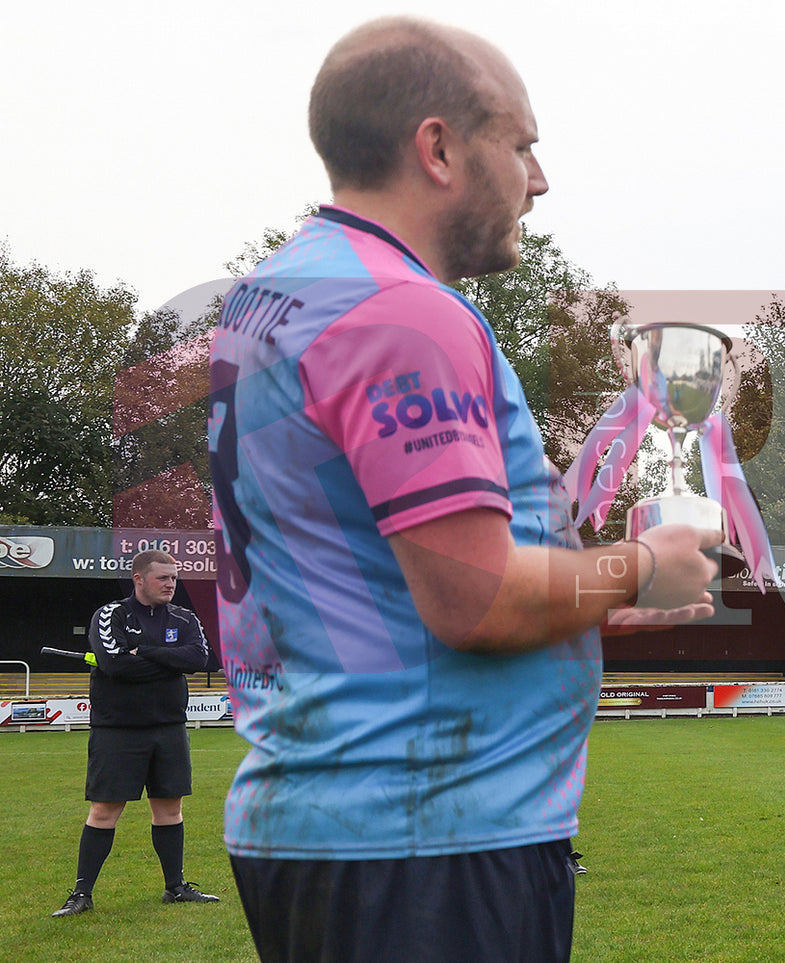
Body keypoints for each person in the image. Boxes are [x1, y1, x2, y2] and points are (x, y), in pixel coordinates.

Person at [208, 17, 720, 963]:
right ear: (438, 147)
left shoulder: (278, 290)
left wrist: (588, 594)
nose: (539, 178)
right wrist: (643, 561)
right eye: (520, 143)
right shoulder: (403, 313)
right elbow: (472, 596)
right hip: (425, 841)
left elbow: (374, 572)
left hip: (340, 824)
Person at [51, 550, 221, 917]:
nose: (171, 584)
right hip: (118, 730)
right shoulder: (112, 615)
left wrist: (144, 650)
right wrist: (168, 661)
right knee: (105, 810)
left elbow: (199, 659)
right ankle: (81, 895)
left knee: (170, 808)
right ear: (139, 578)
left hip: (169, 728)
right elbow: (115, 666)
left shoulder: (184, 617)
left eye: (174, 578)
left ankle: (175, 887)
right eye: (163, 578)